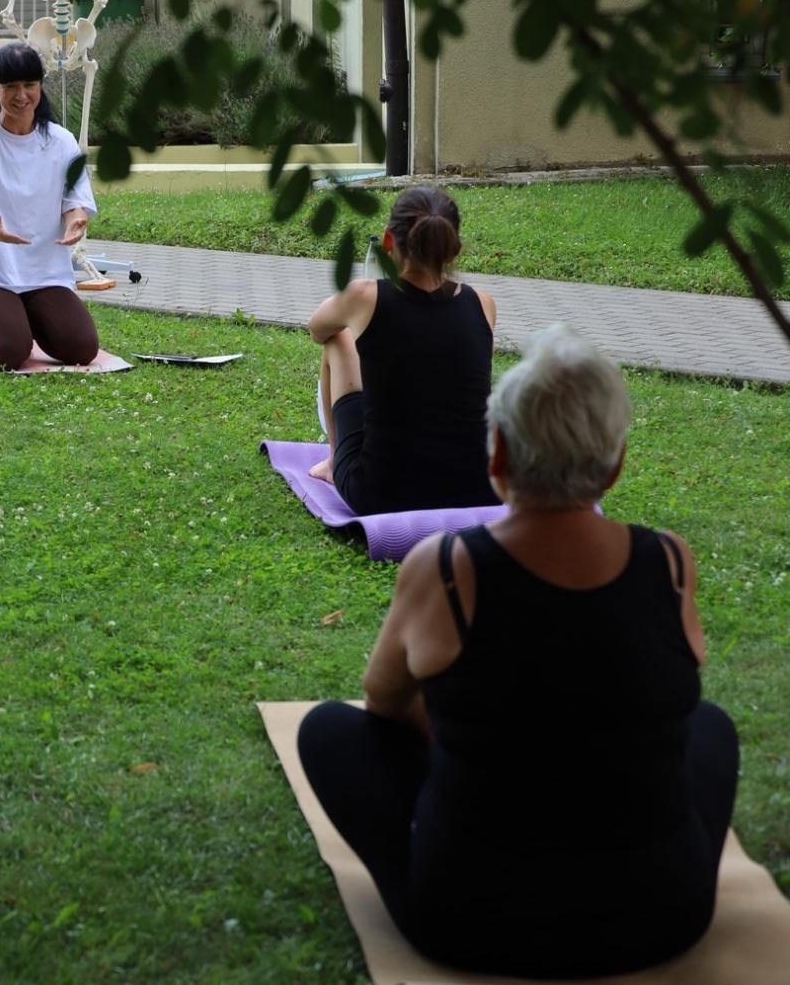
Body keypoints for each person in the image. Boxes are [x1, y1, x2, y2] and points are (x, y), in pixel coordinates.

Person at [296, 324, 738, 978]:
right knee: (711, 727)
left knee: (330, 730)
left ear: (496, 454)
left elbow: (386, 702)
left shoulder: (445, 565)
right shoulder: (670, 561)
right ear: (613, 465)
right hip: (663, 915)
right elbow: (664, 699)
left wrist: (479, 739)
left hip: (471, 923)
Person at [305, 187, 501, 513]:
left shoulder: (365, 295)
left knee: (337, 340)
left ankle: (332, 460)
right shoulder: (482, 303)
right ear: (453, 250)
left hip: (382, 493)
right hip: (477, 489)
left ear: (387, 241)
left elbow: (317, 328)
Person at [0, 41, 100, 370]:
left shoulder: (61, 141)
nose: (21, 95)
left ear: (40, 85)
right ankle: (3, 309)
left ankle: (23, 308)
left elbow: (76, 204)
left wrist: (75, 221)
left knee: (82, 348)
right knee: (10, 353)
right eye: (10, 86)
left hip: (45, 274)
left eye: (29, 85)